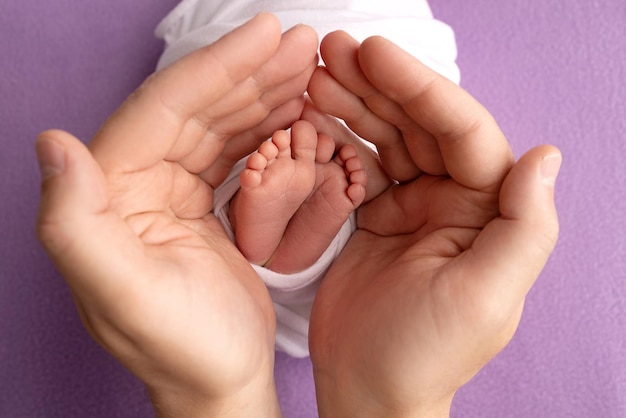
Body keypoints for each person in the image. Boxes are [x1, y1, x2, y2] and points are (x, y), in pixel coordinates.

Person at [35, 13, 561, 418]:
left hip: (227, 183)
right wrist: (387, 403)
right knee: (404, 112)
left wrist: (215, 399)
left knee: (219, 139)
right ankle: (293, 245)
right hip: (385, 202)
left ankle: (267, 240)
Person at [154, 0, 460, 358]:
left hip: (259, 97)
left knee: (218, 134)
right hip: (375, 111)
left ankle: (253, 223)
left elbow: (186, 42)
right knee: (405, 114)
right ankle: (303, 250)